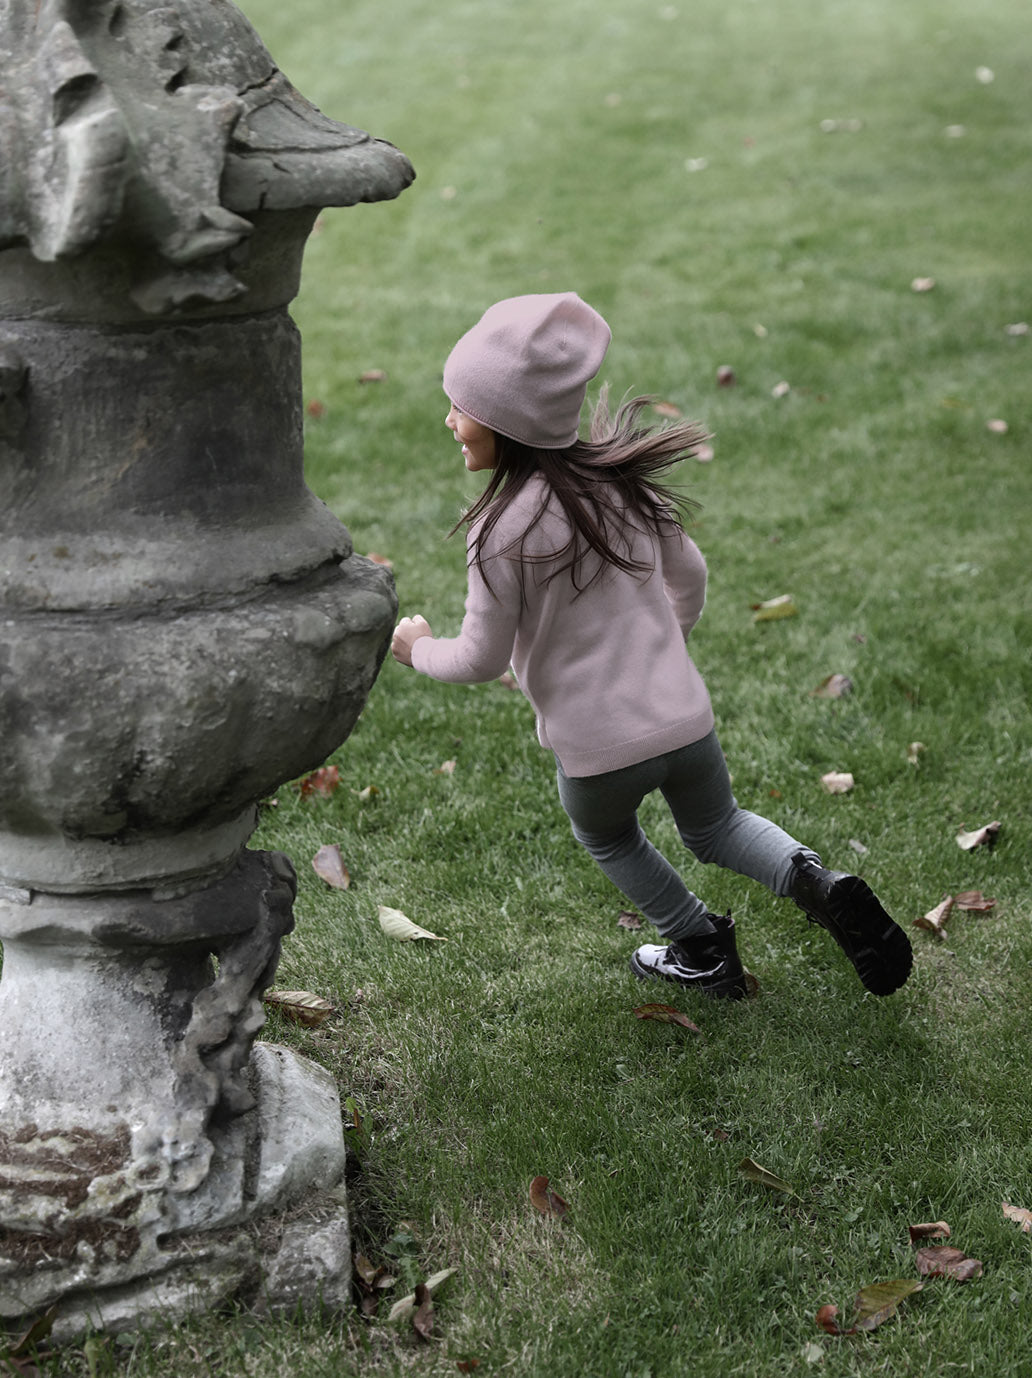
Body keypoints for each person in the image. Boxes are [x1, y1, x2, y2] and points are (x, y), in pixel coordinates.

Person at [390, 292, 912, 1000]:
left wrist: (416, 647)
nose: (449, 421)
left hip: (597, 751)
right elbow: (689, 578)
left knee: (610, 838)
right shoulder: (622, 485)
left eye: (462, 407)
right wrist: (665, 652)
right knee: (718, 826)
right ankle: (816, 879)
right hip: (685, 721)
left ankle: (699, 946)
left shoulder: (499, 533)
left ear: (508, 421)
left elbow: (479, 658)